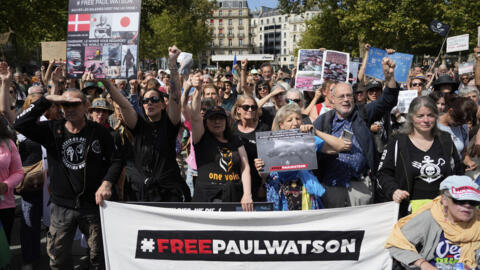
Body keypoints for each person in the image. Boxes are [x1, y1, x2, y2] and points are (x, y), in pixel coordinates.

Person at [14, 88, 116, 269]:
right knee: (58, 257)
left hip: (92, 205)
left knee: (98, 256)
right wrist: (46, 99)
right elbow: (20, 124)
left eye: (74, 104)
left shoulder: (99, 132)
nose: (69, 108)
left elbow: (116, 160)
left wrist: (107, 182)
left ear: (86, 106)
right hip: (62, 207)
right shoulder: (52, 129)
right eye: (65, 104)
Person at [106, 45, 191, 202]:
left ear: (162, 104)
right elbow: (124, 104)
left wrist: (172, 63)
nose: (149, 103)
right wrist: (104, 81)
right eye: (145, 100)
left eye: (154, 99)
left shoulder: (170, 122)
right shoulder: (138, 123)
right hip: (141, 192)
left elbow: (174, 96)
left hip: (169, 190)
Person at [313, 58, 400, 208]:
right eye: (342, 96)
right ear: (332, 100)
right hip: (331, 186)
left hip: (360, 186)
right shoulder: (322, 122)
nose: (346, 100)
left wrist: (390, 77)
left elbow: (388, 100)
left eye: (349, 95)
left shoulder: (364, 112)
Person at [377, 96, 464, 217]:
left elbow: (458, 172)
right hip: (409, 212)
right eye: (420, 116)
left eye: (430, 115)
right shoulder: (398, 141)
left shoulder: (445, 139)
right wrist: (394, 191)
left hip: (443, 211)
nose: (426, 120)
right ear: (411, 118)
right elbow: (383, 173)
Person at [253, 103, 350, 210]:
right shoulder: (270, 142)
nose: (295, 123)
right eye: (289, 120)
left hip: (304, 192)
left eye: (298, 119)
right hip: (280, 195)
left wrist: (316, 132)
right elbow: (263, 175)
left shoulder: (307, 139)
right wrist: (260, 168)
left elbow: (341, 146)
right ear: (281, 125)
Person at [385, 175, 480, 269]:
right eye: (460, 201)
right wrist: (423, 264)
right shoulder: (429, 217)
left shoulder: (477, 222)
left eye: (473, 202)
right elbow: (396, 244)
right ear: (444, 200)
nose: (467, 206)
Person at [190, 82, 253, 211]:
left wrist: (247, 194)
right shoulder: (201, 138)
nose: (217, 122)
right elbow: (195, 117)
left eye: (220, 118)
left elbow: (245, 167)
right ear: (206, 123)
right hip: (207, 197)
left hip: (234, 195)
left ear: (226, 121)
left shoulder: (235, 139)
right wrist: (197, 91)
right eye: (212, 119)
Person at [231, 95, 270, 201]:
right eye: (246, 107)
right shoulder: (231, 128)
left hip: (257, 182)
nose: (250, 110)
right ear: (238, 109)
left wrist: (263, 185)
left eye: (253, 107)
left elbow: (268, 159)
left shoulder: (263, 128)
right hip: (234, 182)